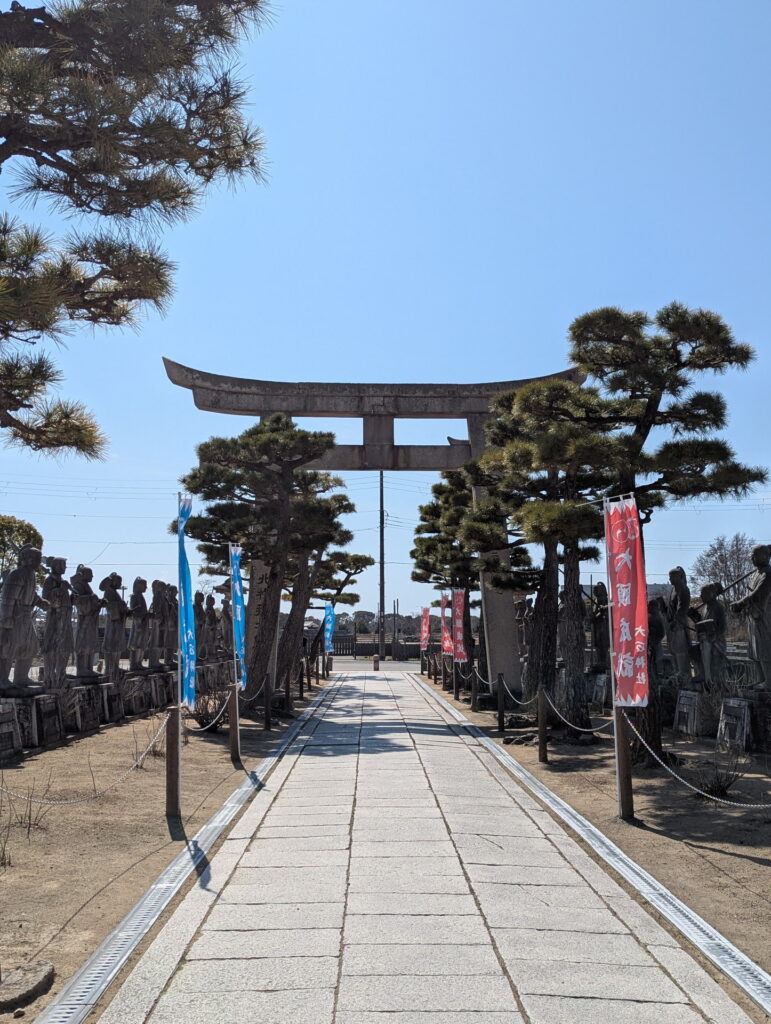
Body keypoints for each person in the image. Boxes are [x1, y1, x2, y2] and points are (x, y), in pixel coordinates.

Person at [0, 545, 48, 692]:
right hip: (15, 615)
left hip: (26, 616)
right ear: (27, 559)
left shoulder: (30, 575)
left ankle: (21, 678)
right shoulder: (16, 574)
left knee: (31, 646)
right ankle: (2, 679)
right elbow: (7, 598)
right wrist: (6, 617)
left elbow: (30, 594)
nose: (39, 562)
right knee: (9, 647)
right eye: (37, 559)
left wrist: (40, 602)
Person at [731, 544, 771, 688]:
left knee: (765, 648)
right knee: (755, 649)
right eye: (752, 556)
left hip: (765, 617)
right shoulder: (756, 574)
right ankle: (761, 679)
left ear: (766, 556)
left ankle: (769, 681)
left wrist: (741, 603)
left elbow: (758, 593)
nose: (752, 558)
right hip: (753, 617)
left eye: (756, 555)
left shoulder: (768, 573)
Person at [666, 566, 692, 683]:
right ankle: (678, 672)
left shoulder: (683, 589)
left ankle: (684, 673)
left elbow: (682, 608)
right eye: (669, 577)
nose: (670, 579)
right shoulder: (673, 590)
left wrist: (676, 621)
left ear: (679, 576)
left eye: (672, 577)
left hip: (679, 625)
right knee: (673, 650)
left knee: (681, 650)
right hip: (671, 625)